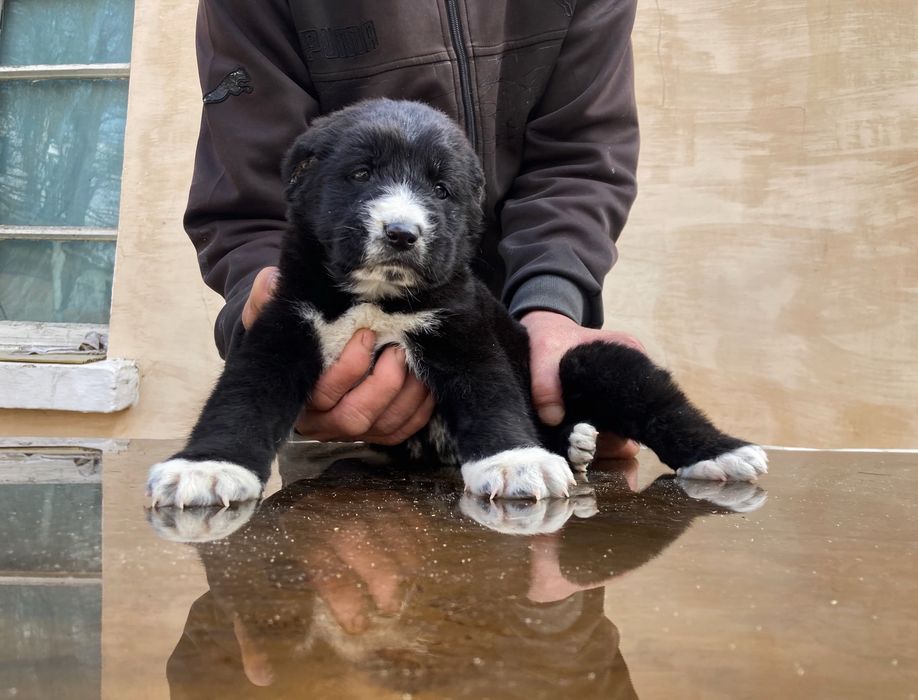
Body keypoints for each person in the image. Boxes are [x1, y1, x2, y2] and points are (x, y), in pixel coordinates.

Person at [185, 0, 643, 458]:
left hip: (515, 355)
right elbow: (259, 190)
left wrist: (550, 306)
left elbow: (579, 155)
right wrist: (277, 329)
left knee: (537, 506)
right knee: (336, 511)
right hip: (347, 375)